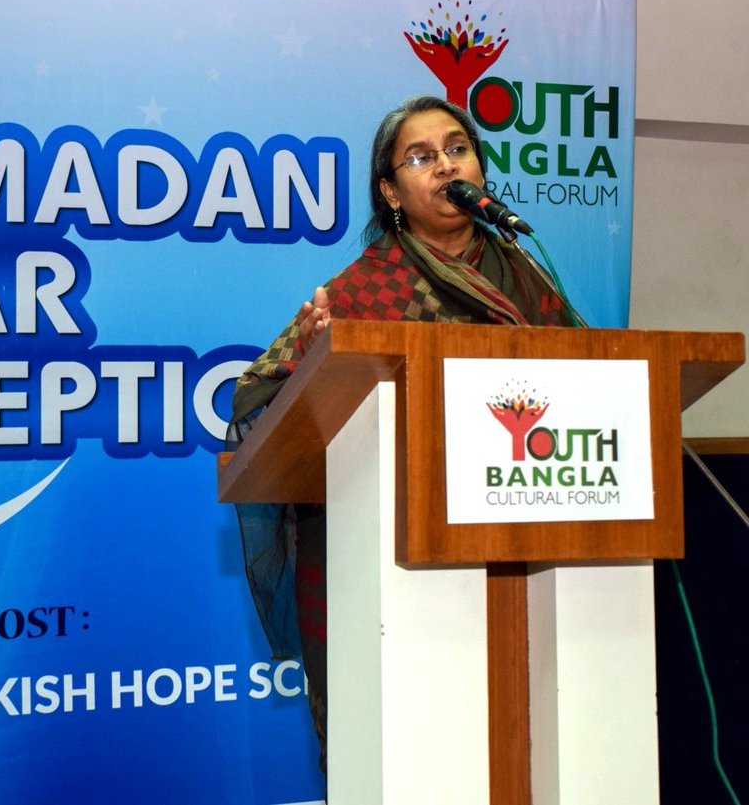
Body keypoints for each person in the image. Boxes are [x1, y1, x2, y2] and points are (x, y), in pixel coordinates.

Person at [229, 95, 578, 772]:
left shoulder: (523, 274)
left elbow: (583, 383)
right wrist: (313, 363)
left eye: (458, 148)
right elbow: (255, 400)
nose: (446, 165)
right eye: (421, 157)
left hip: (521, 550)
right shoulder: (361, 292)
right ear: (390, 192)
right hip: (387, 561)